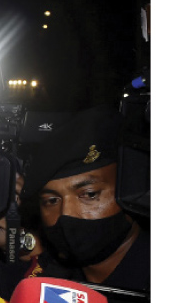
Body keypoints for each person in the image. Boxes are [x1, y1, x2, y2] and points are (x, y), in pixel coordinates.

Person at [22, 104, 150, 291]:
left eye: (90, 194)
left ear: (131, 190)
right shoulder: (48, 276)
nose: (66, 214)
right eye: (51, 201)